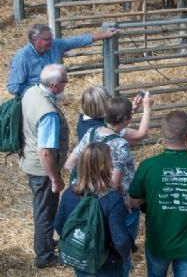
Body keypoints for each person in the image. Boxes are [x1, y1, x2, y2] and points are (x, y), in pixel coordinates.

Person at [128, 111, 187, 277]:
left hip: (158, 243)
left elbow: (132, 201)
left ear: (163, 136)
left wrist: (154, 194)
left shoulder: (147, 166)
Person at [64, 97, 139, 277]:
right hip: (114, 206)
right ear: (128, 118)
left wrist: (82, 184)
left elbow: (69, 163)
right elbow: (115, 183)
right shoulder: (120, 145)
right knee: (117, 239)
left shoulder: (92, 132)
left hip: (84, 200)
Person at [19, 63, 69, 268]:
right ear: (55, 85)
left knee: (44, 209)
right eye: (65, 81)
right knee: (45, 212)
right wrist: (55, 178)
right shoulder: (48, 113)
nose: (67, 84)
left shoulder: (32, 92)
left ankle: (47, 242)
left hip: (30, 161)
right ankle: (44, 256)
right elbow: (46, 151)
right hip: (42, 170)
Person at [55, 142, 131, 277]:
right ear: (106, 166)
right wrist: (126, 255)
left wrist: (79, 244)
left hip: (81, 257)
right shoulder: (112, 198)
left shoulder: (69, 193)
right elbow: (120, 239)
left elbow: (59, 225)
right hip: (107, 261)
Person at [7, 24, 118, 97]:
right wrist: (37, 93)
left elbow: (76, 41)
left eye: (51, 38)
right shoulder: (22, 57)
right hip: (31, 100)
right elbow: (13, 87)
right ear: (36, 40)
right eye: (47, 39)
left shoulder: (54, 45)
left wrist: (103, 34)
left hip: (52, 95)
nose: (51, 41)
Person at [77, 85, 153, 144]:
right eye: (109, 98)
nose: (111, 100)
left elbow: (116, 119)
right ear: (102, 105)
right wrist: (147, 108)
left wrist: (131, 110)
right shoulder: (104, 128)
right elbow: (141, 135)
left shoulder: (84, 119)